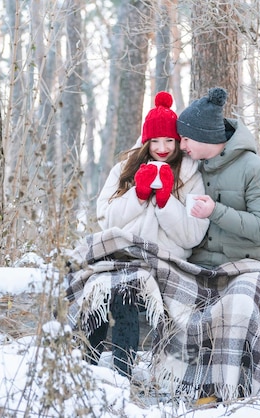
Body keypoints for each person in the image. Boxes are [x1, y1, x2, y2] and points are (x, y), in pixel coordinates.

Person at [172, 86, 260, 401]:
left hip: (245, 265)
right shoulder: (191, 168)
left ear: (205, 137)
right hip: (199, 265)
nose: (181, 145)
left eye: (186, 139)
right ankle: (178, 382)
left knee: (236, 305)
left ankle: (229, 389)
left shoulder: (256, 170)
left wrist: (215, 212)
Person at [87, 91, 210, 377]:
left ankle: (121, 376)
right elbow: (106, 218)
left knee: (125, 292)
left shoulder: (192, 176)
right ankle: (85, 372)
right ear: (146, 141)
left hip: (165, 264)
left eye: (169, 140)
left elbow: (192, 236)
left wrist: (167, 202)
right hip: (123, 256)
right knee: (101, 291)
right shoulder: (124, 169)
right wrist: (138, 194)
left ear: (179, 141)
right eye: (155, 141)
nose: (163, 148)